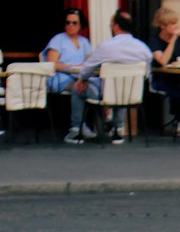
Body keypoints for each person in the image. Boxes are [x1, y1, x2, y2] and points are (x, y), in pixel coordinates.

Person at [77, 11, 153, 144]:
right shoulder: (144, 49)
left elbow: (86, 69)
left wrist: (82, 79)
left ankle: (77, 129)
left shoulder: (106, 47)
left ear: (115, 26)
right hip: (132, 95)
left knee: (77, 88)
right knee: (124, 86)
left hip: (107, 95)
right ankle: (117, 127)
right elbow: (147, 75)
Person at [41, 9, 95, 143]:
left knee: (94, 86)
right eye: (68, 22)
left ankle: (86, 125)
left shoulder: (84, 42)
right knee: (80, 88)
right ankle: (75, 129)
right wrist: (73, 66)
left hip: (79, 77)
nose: (70, 25)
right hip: (60, 79)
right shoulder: (58, 39)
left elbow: (90, 60)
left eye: (74, 23)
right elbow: (51, 63)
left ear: (81, 25)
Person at [149, 6, 180, 137]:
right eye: (172, 23)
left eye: (176, 23)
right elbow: (163, 61)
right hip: (163, 77)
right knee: (177, 92)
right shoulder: (155, 40)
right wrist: (173, 41)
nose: (176, 26)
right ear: (163, 26)